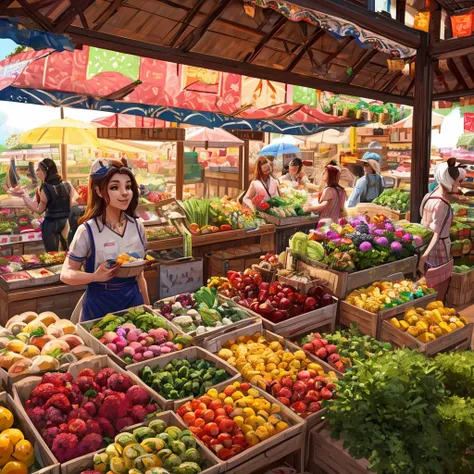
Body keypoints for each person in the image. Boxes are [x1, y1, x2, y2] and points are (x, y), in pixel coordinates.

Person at [61, 158, 149, 321]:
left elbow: (140, 276)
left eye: (128, 186)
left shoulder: (137, 226)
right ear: (99, 191)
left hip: (133, 303)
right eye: (115, 187)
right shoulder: (87, 231)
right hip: (99, 305)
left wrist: (148, 307)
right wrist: (94, 277)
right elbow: (66, 274)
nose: (125, 193)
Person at [419, 158, 466, 301]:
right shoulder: (442, 205)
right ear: (448, 180)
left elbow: (423, 220)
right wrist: (423, 258)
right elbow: (436, 234)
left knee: (427, 284)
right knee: (440, 283)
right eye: (459, 181)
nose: (460, 185)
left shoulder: (430, 195)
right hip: (439, 247)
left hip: (425, 243)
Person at [20, 158, 76, 252]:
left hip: (51, 224)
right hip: (65, 223)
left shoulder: (46, 188)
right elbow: (71, 205)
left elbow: (39, 210)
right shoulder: (67, 184)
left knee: (52, 254)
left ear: (46, 171)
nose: (37, 172)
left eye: (39, 169)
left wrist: (24, 197)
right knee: (67, 253)